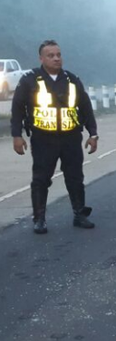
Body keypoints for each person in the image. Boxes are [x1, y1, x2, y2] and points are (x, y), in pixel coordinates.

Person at [10, 40, 98, 234]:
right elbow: (17, 109)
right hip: (43, 139)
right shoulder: (29, 80)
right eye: (51, 55)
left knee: (75, 177)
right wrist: (17, 136)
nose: (56, 58)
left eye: (58, 54)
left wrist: (93, 134)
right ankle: (39, 219)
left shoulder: (72, 80)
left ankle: (79, 214)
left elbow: (85, 107)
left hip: (71, 138)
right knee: (41, 179)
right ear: (41, 58)